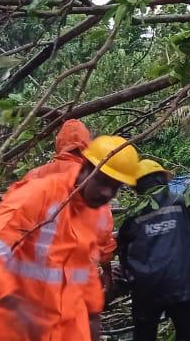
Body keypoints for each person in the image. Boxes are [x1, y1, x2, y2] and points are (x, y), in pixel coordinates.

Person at [0, 135, 140, 341]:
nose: (107, 192)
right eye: (103, 181)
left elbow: (83, 271)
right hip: (2, 328)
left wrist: (91, 314)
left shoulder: (97, 215)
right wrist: (17, 309)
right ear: (86, 168)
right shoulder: (36, 194)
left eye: (116, 187)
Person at [8, 119, 118, 298]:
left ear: (59, 144)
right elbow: (103, 231)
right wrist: (107, 271)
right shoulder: (91, 180)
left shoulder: (34, 176)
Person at [117, 159, 190, 341]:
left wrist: (129, 279)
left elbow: (123, 254)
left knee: (144, 335)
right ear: (163, 180)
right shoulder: (182, 203)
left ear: (137, 187)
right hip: (186, 284)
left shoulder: (132, 217)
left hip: (146, 289)